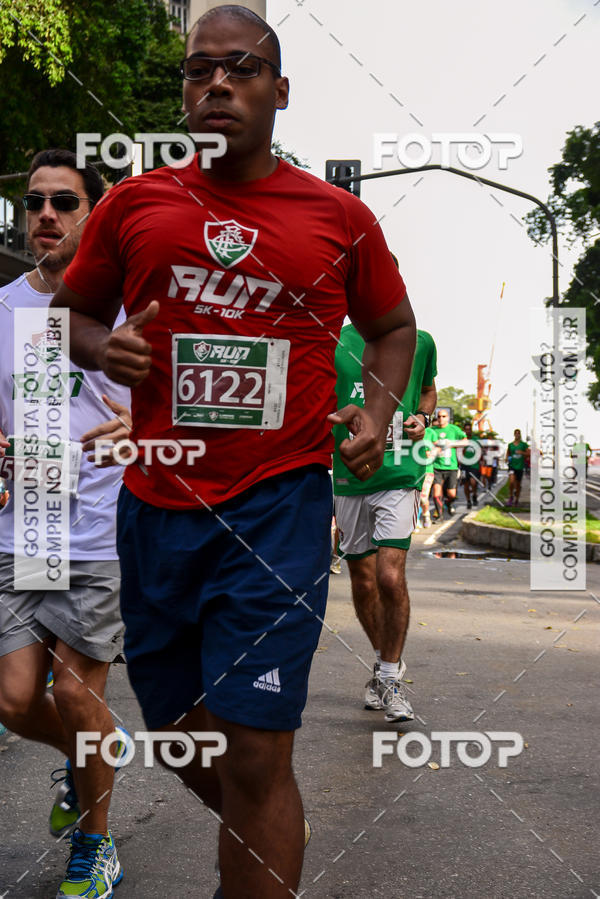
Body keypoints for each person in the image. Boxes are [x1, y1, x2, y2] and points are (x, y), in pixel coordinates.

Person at [51, 6, 417, 897]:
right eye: (199, 69)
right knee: (183, 739)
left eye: (243, 68)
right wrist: (104, 347)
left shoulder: (339, 218)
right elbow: (72, 314)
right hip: (157, 506)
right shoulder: (138, 205)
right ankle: (266, 824)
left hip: (276, 506)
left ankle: (260, 831)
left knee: (253, 752)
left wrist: (376, 411)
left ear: (279, 91)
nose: (217, 83)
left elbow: (392, 326)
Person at [0, 149, 132, 899]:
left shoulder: (125, 303)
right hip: (24, 526)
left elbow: (177, 404)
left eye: (64, 201)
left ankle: (97, 840)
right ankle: (91, 755)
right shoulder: (5, 307)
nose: (45, 214)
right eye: (34, 202)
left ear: (94, 213)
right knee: (15, 698)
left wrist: (142, 430)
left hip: (97, 527)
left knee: (79, 693)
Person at [332, 325, 437, 722]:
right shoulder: (333, 339)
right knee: (362, 579)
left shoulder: (420, 340)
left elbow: (427, 392)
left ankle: (391, 677)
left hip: (400, 471)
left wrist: (424, 419)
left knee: (389, 577)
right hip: (349, 472)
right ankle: (382, 663)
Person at [430, 410, 467, 518]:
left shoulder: (454, 429)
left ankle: (449, 503)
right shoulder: (432, 430)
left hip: (451, 467)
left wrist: (452, 443)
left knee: (452, 494)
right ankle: (440, 516)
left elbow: (465, 442)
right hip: (436, 466)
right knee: (436, 493)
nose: (441, 418)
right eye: (439, 416)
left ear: (448, 418)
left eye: (444, 416)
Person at [460, 421, 481, 509]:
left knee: (473, 482)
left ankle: (475, 494)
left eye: (469, 429)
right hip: (464, 466)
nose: (468, 431)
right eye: (466, 430)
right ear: (464, 431)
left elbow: (479, 451)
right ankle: (468, 500)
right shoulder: (461, 440)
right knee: (466, 484)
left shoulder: (475, 440)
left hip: (474, 465)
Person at [506, 428, 529, 506]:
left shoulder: (523, 444)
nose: (517, 435)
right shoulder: (510, 445)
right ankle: (511, 496)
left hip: (520, 466)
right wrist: (507, 458)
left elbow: (528, 453)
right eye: (516, 433)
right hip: (512, 466)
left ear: (520, 435)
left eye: (518, 433)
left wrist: (522, 452)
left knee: (518, 485)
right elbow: (508, 453)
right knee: (511, 482)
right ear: (514, 435)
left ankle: (516, 500)